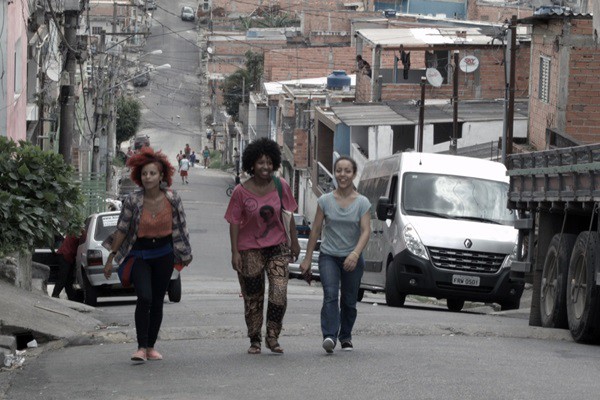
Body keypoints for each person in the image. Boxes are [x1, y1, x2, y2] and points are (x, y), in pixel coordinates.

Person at [102, 147, 192, 363]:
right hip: (140, 254)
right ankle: (140, 347)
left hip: (164, 254)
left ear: (162, 176)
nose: (148, 177)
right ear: (139, 177)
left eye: (152, 173)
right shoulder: (133, 201)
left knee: (158, 301)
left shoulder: (173, 198)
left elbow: (181, 226)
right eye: (144, 174)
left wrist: (184, 253)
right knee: (144, 297)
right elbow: (122, 229)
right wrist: (111, 257)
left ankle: (151, 346)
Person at [224, 138, 301, 355]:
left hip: (277, 247)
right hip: (249, 250)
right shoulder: (240, 191)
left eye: (269, 162)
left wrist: (294, 242)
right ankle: (255, 338)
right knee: (253, 296)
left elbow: (289, 215)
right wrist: (235, 252)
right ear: (251, 164)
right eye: (260, 163)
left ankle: (273, 336)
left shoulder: (280, 186)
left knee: (279, 292)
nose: (265, 167)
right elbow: (234, 222)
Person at [299, 156, 371, 354]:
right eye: (339, 170)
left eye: (347, 171)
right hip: (329, 256)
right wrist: (307, 259)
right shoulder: (325, 201)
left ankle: (345, 336)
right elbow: (315, 230)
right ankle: (329, 335)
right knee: (330, 295)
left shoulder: (363, 203)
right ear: (334, 173)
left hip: (353, 258)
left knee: (349, 300)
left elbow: (366, 231)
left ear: (354, 174)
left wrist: (355, 254)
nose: (343, 175)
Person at [51, 234, 80, 299]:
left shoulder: (76, 231)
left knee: (68, 279)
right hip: (65, 255)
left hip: (65, 255)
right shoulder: (81, 232)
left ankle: (71, 297)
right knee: (63, 278)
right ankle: (55, 295)